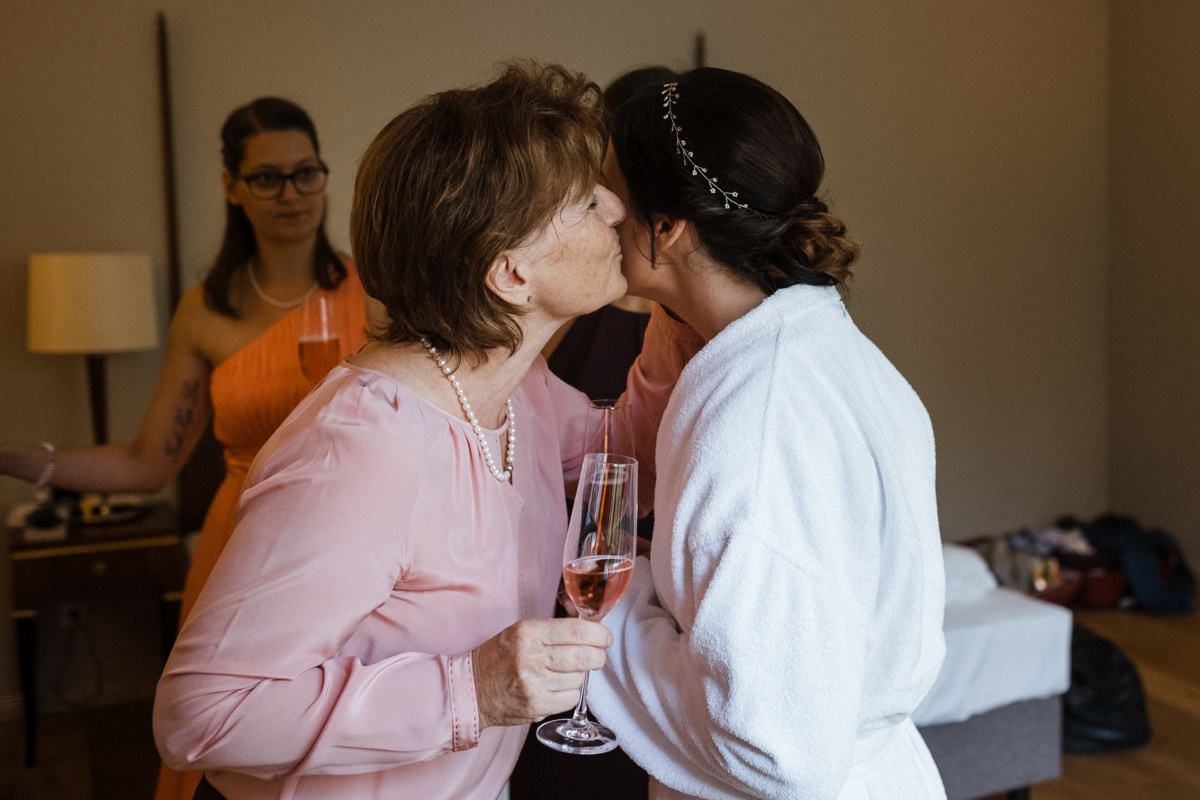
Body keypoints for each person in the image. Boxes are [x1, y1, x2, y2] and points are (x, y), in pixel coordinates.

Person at [153, 62, 700, 800]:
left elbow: (627, 451)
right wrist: (473, 690)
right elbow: (200, 714)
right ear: (510, 274)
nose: (616, 209)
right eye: (585, 199)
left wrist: (683, 298)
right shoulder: (359, 450)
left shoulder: (518, 391)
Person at [584, 68, 948, 799]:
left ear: (668, 225)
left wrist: (612, 602)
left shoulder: (756, 421)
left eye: (607, 195)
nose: (597, 215)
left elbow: (775, 749)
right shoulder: (813, 345)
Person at [0, 96, 372, 800]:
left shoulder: (375, 289)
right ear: (232, 186)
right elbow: (150, 462)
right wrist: (27, 459)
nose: (292, 193)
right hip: (243, 543)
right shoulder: (207, 310)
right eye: (267, 178)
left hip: (354, 539)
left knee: (336, 739)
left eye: (307, 172)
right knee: (233, 743)